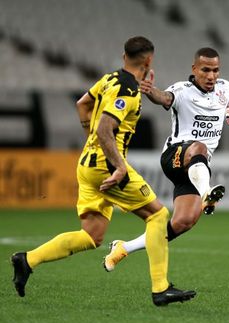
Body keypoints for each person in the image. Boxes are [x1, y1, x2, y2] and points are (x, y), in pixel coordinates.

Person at [10, 36, 196, 306]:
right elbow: (105, 128)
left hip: (87, 163)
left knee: (91, 235)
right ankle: (161, 288)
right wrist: (120, 165)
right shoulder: (126, 91)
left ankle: (27, 260)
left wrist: (92, 141)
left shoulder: (110, 79)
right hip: (107, 166)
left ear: (124, 57)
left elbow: (82, 104)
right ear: (148, 60)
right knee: (158, 215)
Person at [102, 47, 229, 271]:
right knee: (199, 147)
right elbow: (164, 98)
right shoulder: (182, 90)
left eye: (216, 70)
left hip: (197, 167)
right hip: (175, 156)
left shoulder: (226, 89)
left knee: (183, 222)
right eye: (205, 70)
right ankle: (207, 192)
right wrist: (151, 91)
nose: (211, 75)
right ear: (194, 69)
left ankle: (123, 247)